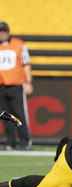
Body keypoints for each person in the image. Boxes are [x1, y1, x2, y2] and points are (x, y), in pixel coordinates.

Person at [0, 21, 33, 150]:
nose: (2, 34)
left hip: (16, 85)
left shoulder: (19, 45)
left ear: (8, 32)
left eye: (3, 32)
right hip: (1, 86)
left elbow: (26, 64)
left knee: (19, 114)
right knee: (5, 115)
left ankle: (25, 141)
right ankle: (10, 142)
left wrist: (28, 82)